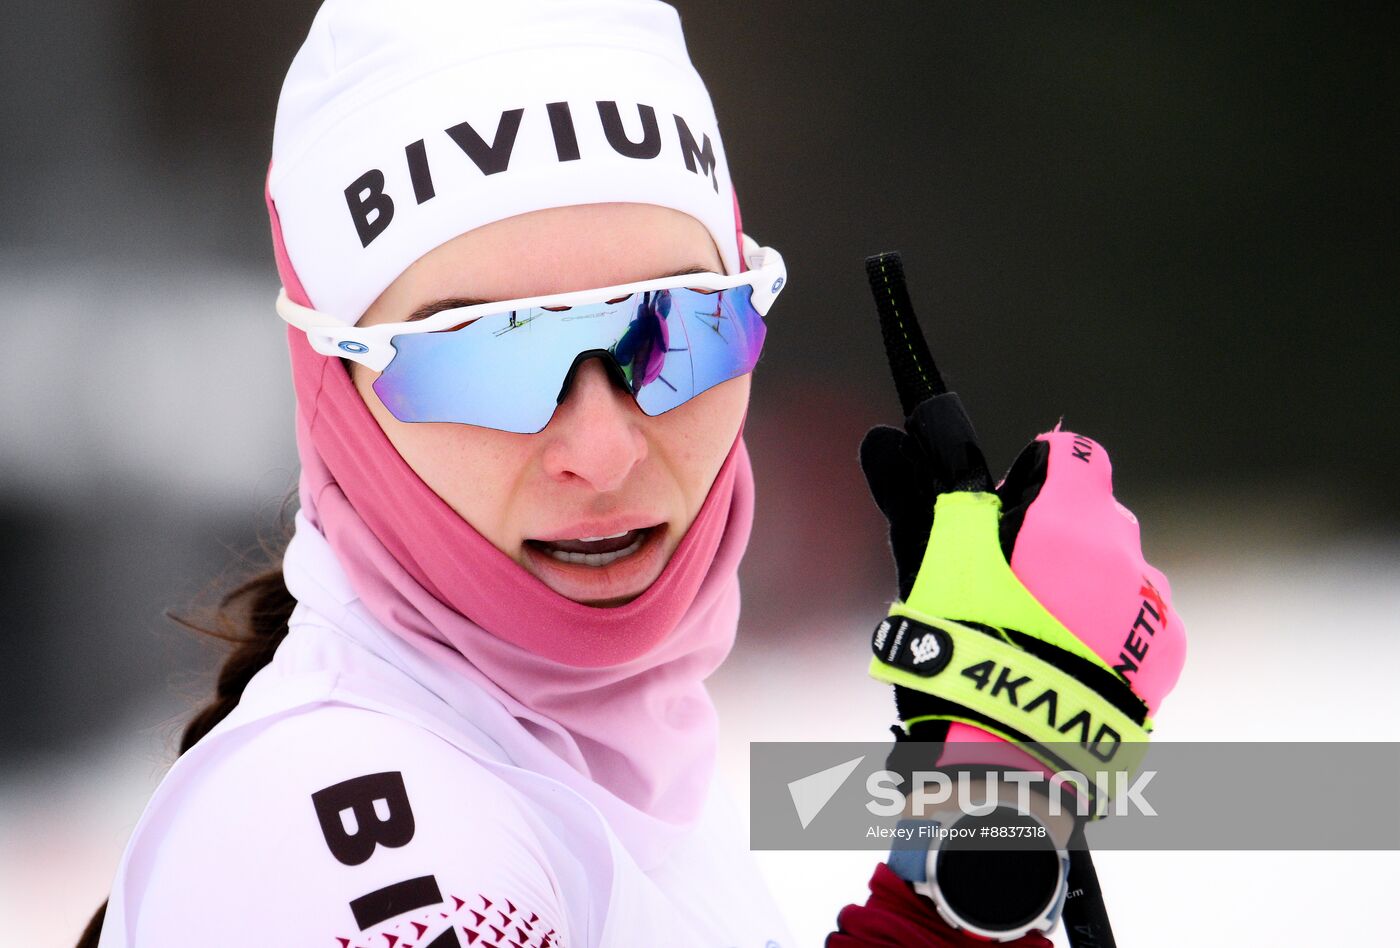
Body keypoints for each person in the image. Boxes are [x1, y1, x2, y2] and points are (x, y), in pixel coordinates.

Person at [80, 2, 1185, 946]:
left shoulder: (591, 769)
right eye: (485, 352)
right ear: (334, 385)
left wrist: (979, 833)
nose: (603, 449)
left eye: (681, 328)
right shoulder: (340, 831)